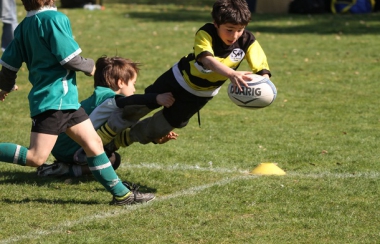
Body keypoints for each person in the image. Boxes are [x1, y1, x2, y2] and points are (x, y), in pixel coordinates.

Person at [0, 0, 154, 206]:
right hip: (55, 100)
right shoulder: (55, 18)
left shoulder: (23, 27)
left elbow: (9, 65)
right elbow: (69, 59)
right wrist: (91, 67)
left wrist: (6, 87)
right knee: (36, 157)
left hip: (66, 101)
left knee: (94, 144)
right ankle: (122, 194)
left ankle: (122, 195)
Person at [95, 0, 271, 148]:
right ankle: (97, 138)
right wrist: (232, 74)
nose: (235, 35)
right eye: (229, 29)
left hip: (199, 95)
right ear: (216, 24)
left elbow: (261, 66)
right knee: (135, 109)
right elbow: (207, 60)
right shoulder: (206, 33)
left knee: (158, 129)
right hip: (176, 80)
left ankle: (116, 143)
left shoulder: (247, 40)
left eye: (240, 30)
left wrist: (264, 85)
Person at [37, 56, 177, 178]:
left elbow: (126, 131)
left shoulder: (99, 96)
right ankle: (67, 170)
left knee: (113, 157)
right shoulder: (110, 98)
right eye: (133, 84)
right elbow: (128, 103)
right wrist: (155, 98)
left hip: (59, 143)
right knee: (109, 159)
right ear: (121, 82)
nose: (134, 89)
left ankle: (62, 167)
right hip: (70, 145)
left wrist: (155, 138)